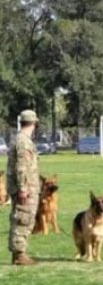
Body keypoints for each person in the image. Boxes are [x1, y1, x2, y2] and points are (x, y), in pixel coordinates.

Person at [7, 110, 40, 265]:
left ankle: (18, 253)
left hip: (24, 186)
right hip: (26, 187)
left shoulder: (20, 139)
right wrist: (23, 188)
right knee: (23, 218)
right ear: (34, 123)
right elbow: (21, 167)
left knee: (20, 217)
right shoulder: (24, 141)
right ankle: (20, 254)